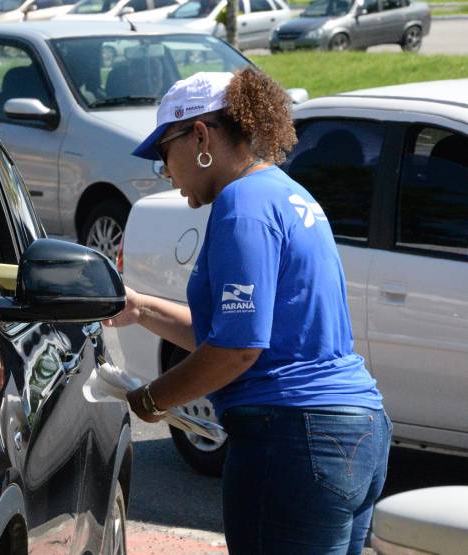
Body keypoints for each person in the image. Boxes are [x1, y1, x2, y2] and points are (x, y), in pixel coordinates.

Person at [107, 68, 390, 554]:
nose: (164, 171)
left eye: (162, 152)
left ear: (200, 135)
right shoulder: (284, 192)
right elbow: (251, 335)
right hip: (355, 429)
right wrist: (144, 308)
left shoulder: (242, 205)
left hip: (293, 437)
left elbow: (238, 350)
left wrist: (150, 401)